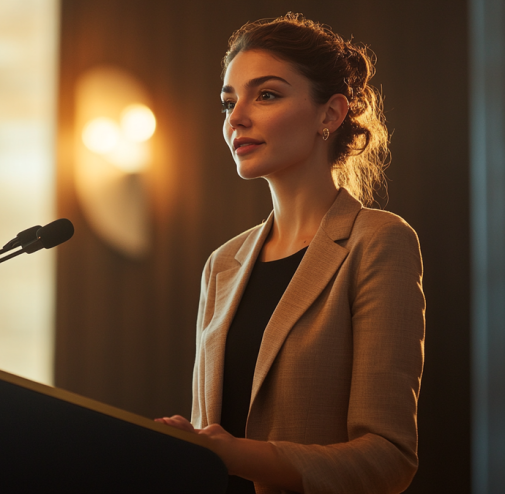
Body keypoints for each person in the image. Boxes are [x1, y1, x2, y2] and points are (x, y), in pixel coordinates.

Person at [155, 13, 425, 494]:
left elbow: (388, 458)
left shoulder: (379, 242)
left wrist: (235, 454)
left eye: (267, 94)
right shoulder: (223, 264)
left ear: (331, 114)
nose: (236, 117)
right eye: (228, 101)